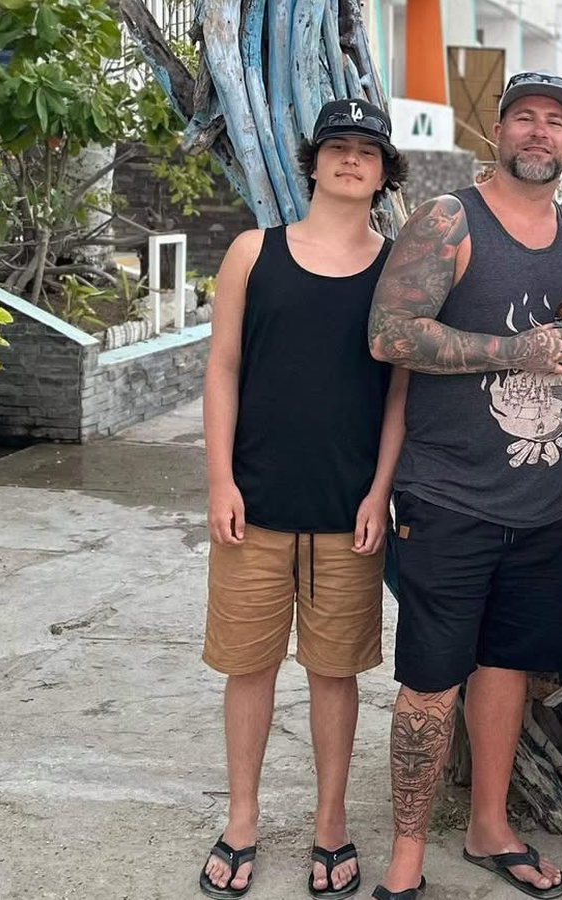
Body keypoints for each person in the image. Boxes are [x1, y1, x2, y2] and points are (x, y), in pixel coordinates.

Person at [367, 72, 562, 900]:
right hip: (449, 499)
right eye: (523, 117)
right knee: (430, 679)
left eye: (555, 122)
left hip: (549, 505)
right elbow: (389, 334)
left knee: (506, 668)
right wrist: (514, 352)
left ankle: (489, 826)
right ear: (496, 132)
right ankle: (404, 855)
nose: (539, 132)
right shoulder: (449, 219)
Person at [199, 98, 409, 899]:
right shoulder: (253, 253)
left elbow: (400, 394)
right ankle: (242, 819)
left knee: (334, 674)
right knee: (247, 668)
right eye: (337, 146)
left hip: (346, 515)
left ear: (384, 173)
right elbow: (222, 368)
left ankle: (330, 821)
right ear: (313, 162)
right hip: (251, 507)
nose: (351, 159)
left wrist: (380, 492)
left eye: (367, 150)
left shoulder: (397, 271)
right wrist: (220, 480)